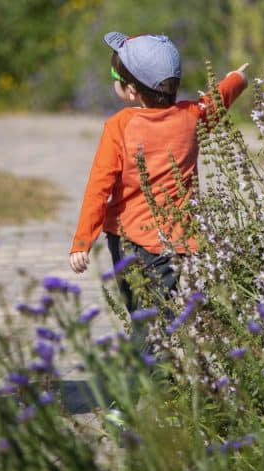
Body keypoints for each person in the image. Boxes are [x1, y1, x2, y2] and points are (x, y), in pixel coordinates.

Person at [69, 31, 248, 353]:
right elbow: (215, 102)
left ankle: (138, 394)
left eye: (114, 75)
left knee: (146, 321)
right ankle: (154, 383)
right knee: (154, 318)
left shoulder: (120, 126)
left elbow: (99, 185)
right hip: (175, 240)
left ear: (132, 89)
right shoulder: (190, 117)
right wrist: (237, 79)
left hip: (125, 239)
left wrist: (83, 240)